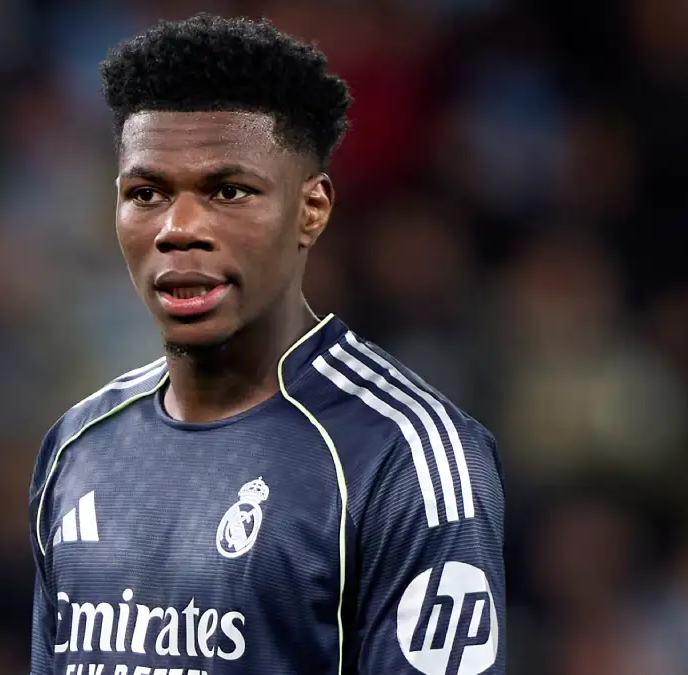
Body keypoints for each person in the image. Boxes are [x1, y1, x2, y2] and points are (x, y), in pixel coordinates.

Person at [28, 14, 505, 675]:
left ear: (311, 209)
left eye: (227, 191)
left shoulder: (405, 458)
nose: (179, 228)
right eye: (146, 193)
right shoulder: (77, 447)